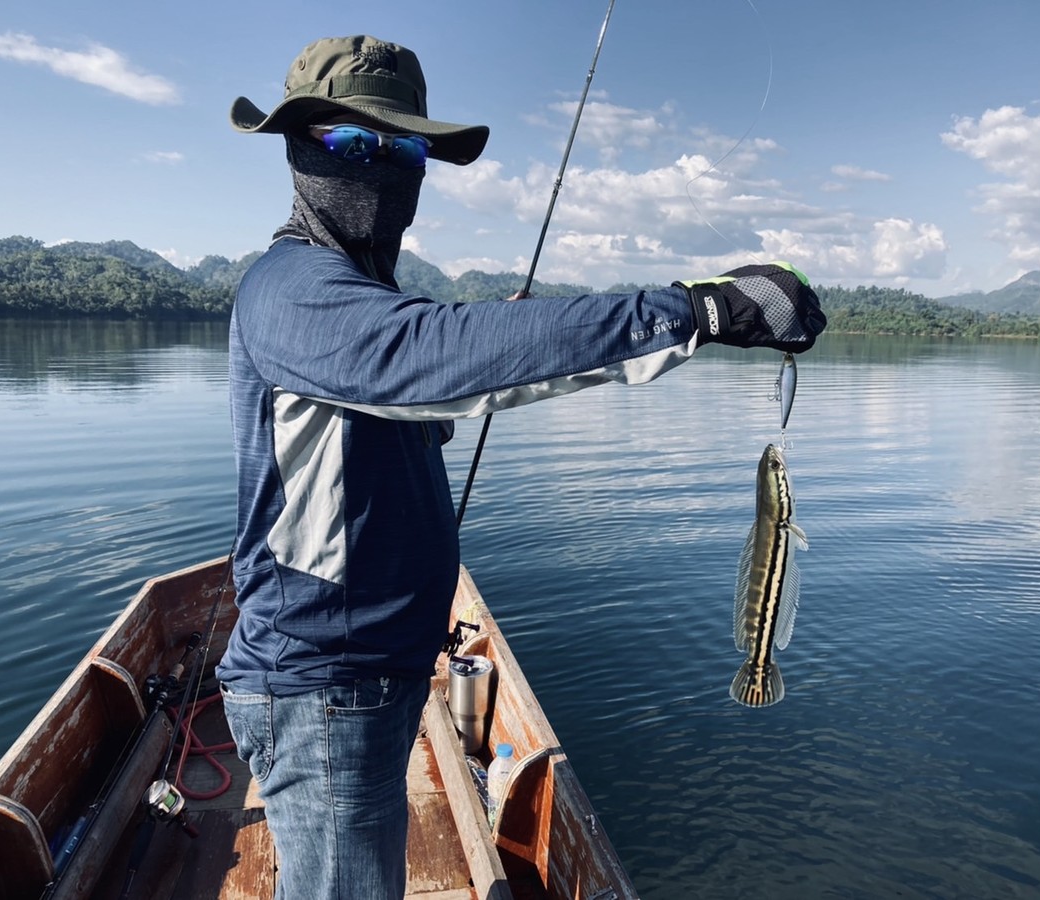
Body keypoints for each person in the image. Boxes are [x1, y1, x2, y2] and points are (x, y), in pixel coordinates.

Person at [217, 34, 826, 900]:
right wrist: (701, 309)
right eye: (353, 143)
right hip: (323, 694)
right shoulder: (292, 291)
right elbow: (420, 352)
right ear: (296, 148)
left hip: (369, 682)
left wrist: (470, 380)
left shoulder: (365, 307)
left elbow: (394, 406)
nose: (384, 166)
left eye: (406, 147)